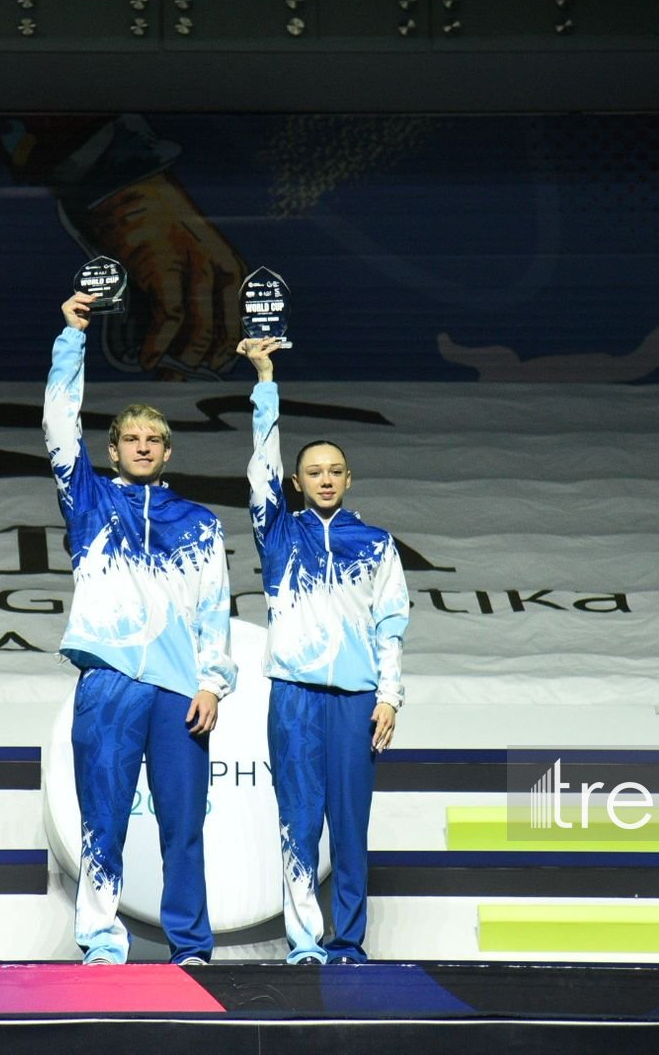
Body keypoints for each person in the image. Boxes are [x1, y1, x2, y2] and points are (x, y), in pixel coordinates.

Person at [44, 292, 236, 966]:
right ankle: (101, 941)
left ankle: (192, 947)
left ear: (168, 450)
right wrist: (73, 337)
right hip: (110, 682)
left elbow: (215, 607)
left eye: (154, 439)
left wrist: (213, 682)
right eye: (132, 438)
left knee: (184, 827)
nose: (144, 446)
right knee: (104, 819)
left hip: (180, 691)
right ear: (114, 447)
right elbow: (58, 426)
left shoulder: (201, 523)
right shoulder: (89, 500)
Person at [239, 335, 410, 965]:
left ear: (349, 478)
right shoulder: (278, 532)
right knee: (300, 823)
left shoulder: (377, 543)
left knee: (351, 827)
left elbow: (392, 622)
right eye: (314, 472)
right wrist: (265, 381)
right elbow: (259, 466)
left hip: (357, 699)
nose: (326, 479)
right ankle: (305, 942)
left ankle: (350, 941)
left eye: (335, 471)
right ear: (296, 481)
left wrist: (389, 695)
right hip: (294, 696)